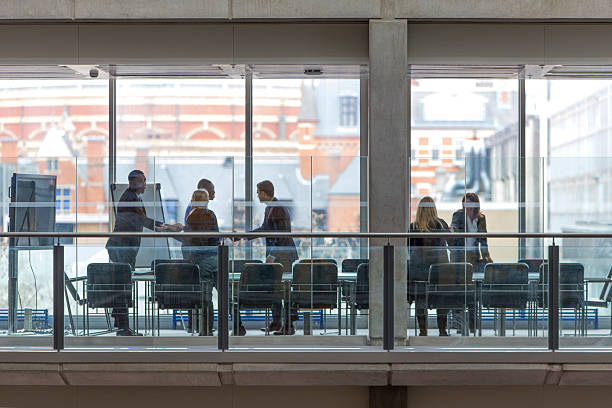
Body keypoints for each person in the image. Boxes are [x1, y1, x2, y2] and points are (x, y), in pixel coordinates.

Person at [105, 169, 177, 336]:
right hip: (122, 247)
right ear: (132, 182)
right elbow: (142, 220)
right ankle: (123, 327)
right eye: (142, 181)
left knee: (122, 284)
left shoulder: (132, 197)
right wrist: (163, 227)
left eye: (144, 180)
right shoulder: (130, 198)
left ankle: (120, 322)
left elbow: (140, 220)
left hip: (124, 247)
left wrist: (162, 227)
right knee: (124, 285)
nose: (145, 184)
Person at [237, 180, 299, 335]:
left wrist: (272, 255)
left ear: (264, 193)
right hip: (279, 255)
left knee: (283, 290)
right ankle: (277, 323)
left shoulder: (277, 209)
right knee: (275, 290)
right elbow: (265, 229)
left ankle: (288, 325)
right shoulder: (271, 208)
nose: (257, 195)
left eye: (258, 192)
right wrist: (244, 237)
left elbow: (283, 235)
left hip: (283, 256)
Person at [176, 189, 219, 335]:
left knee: (205, 297)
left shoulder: (192, 216)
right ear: (206, 200)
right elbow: (215, 238)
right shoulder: (211, 215)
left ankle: (204, 329)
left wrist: (175, 233)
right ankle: (209, 328)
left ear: (193, 199)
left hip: (202, 260)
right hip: (215, 259)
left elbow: (190, 240)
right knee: (215, 296)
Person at [449, 192, 493, 335]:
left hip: (474, 257)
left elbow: (483, 240)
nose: (468, 207)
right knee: (459, 292)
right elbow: (454, 229)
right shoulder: (458, 215)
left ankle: (473, 325)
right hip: (459, 258)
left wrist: (486, 256)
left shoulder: (481, 218)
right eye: (465, 204)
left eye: (471, 204)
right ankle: (460, 325)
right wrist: (452, 230)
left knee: (473, 293)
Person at [408, 196, 450, 336]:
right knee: (442, 300)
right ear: (434, 209)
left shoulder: (412, 227)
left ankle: (422, 331)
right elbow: (450, 243)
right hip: (440, 271)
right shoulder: (441, 225)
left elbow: (409, 250)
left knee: (420, 299)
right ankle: (442, 331)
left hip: (419, 272)